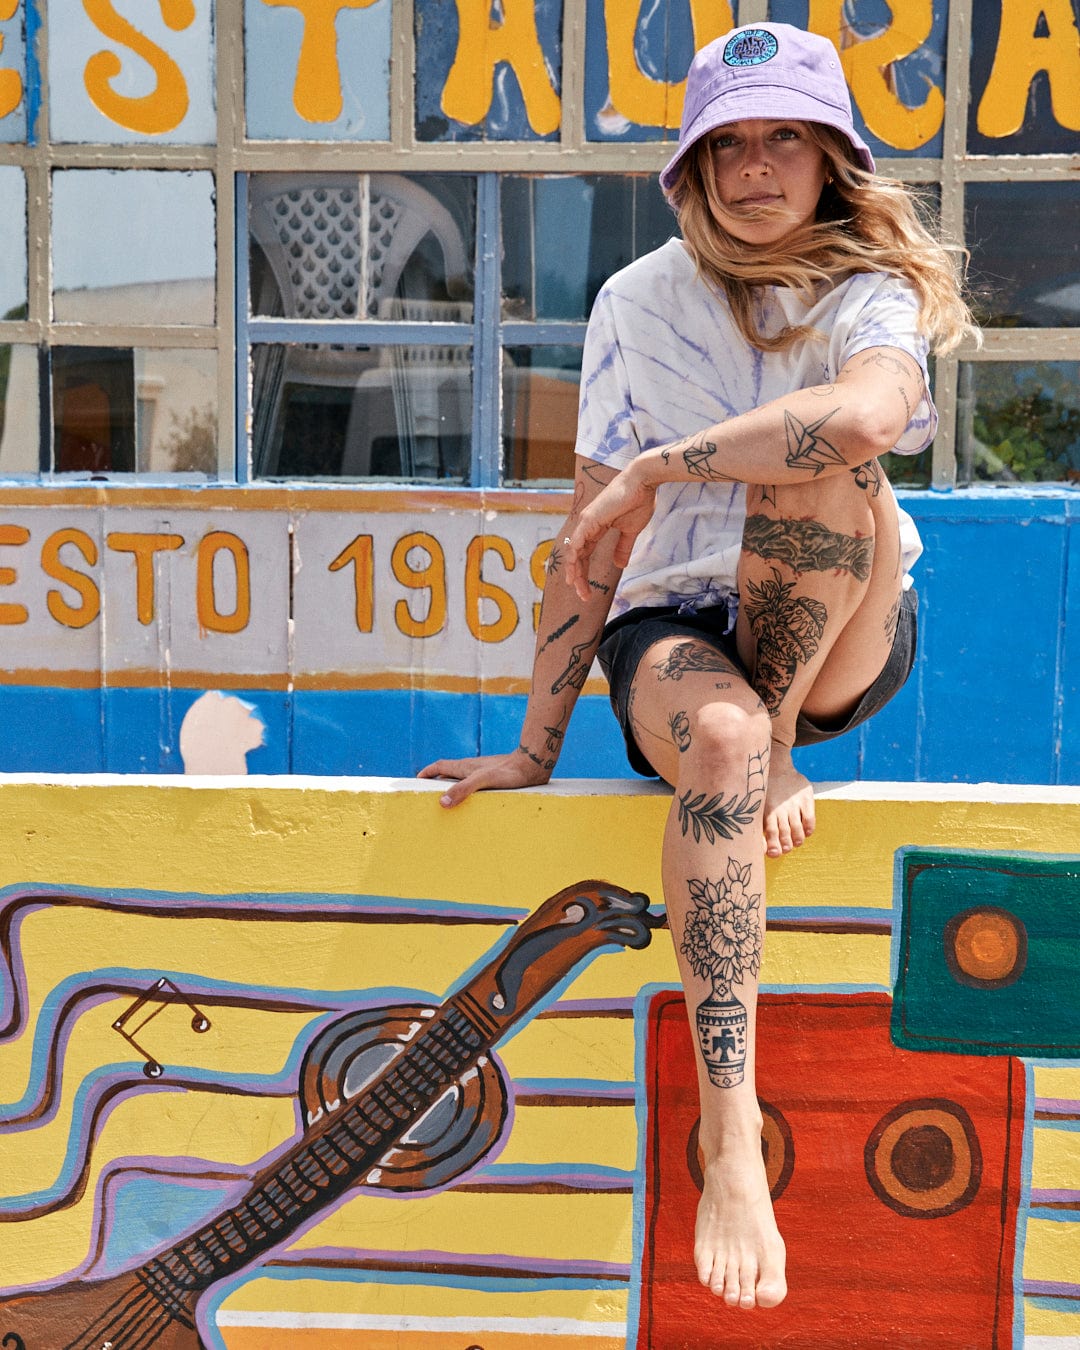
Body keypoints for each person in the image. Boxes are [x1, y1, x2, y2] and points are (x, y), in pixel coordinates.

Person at [420, 21, 974, 1314]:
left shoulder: (867, 292)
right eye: (730, 141)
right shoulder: (635, 302)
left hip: (836, 631)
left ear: (833, 157)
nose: (756, 164)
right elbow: (592, 546)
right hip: (677, 634)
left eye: (786, 135)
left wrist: (674, 461)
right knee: (718, 749)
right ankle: (734, 1137)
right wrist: (535, 746)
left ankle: (771, 733)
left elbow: (868, 417)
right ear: (693, 167)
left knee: (836, 470)